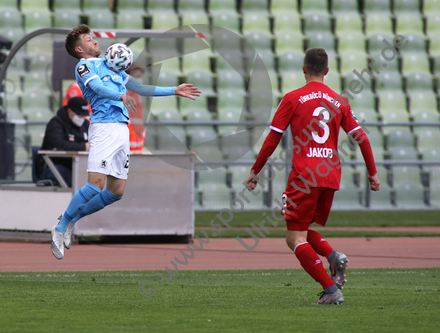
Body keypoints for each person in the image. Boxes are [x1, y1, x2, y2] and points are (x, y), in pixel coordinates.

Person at [51, 24, 201, 260]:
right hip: (103, 128)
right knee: (94, 185)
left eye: (93, 38)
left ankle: (72, 220)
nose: (95, 42)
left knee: (116, 192)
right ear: (79, 49)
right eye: (89, 40)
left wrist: (174, 89)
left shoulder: (111, 65)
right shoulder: (84, 66)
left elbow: (140, 87)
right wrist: (120, 94)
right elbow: (97, 87)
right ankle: (60, 227)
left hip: (122, 130)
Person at [245, 48, 380, 304]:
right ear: (327, 71)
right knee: (303, 231)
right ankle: (333, 256)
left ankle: (330, 290)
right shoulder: (340, 101)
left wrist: (255, 171)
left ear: (304, 69)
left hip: (304, 175)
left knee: (294, 238)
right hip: (330, 175)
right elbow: (361, 138)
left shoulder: (293, 98)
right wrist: (372, 173)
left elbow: (273, 138)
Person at [36, 97, 90, 187]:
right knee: (77, 182)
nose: (81, 118)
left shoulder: (85, 124)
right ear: (70, 111)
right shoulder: (56, 123)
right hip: (54, 165)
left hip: (77, 165)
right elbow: (59, 144)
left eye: (83, 115)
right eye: (79, 114)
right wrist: (84, 147)